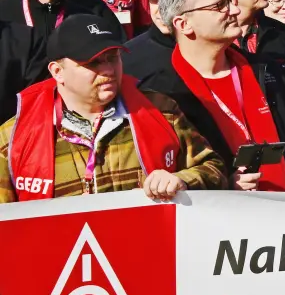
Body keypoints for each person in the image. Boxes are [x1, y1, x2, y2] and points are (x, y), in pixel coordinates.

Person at [125, 0, 285, 192]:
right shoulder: (160, 93)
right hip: (222, 220)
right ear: (184, 24)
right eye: (219, 6)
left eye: (230, 0)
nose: (235, 10)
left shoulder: (266, 71)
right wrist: (222, 182)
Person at [0, 14, 226, 201]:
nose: (108, 70)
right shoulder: (12, 137)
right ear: (57, 72)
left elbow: (215, 169)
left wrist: (182, 180)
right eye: (93, 62)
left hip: (148, 250)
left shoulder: (162, 110)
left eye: (113, 57)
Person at [0, 0, 124, 123]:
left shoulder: (94, 10)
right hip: (17, 118)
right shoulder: (5, 12)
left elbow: (119, 57)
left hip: (82, 116)